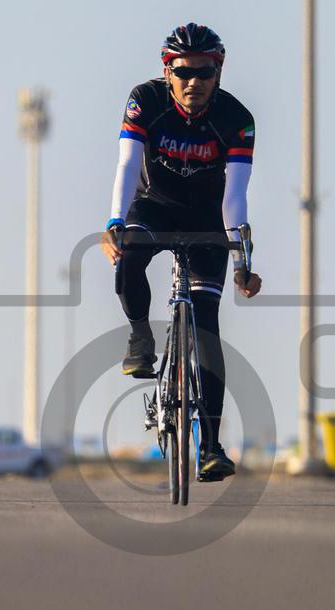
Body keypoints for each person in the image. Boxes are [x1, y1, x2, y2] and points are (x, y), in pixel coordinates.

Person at [101, 23, 262, 481]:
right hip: (155, 206)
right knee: (130, 254)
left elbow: (235, 196)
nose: (194, 82)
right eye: (183, 72)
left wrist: (242, 263)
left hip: (207, 218)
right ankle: (140, 336)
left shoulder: (236, 118)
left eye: (204, 72)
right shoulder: (145, 101)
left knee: (207, 327)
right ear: (166, 72)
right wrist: (115, 221)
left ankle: (210, 447)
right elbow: (128, 163)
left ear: (218, 73)